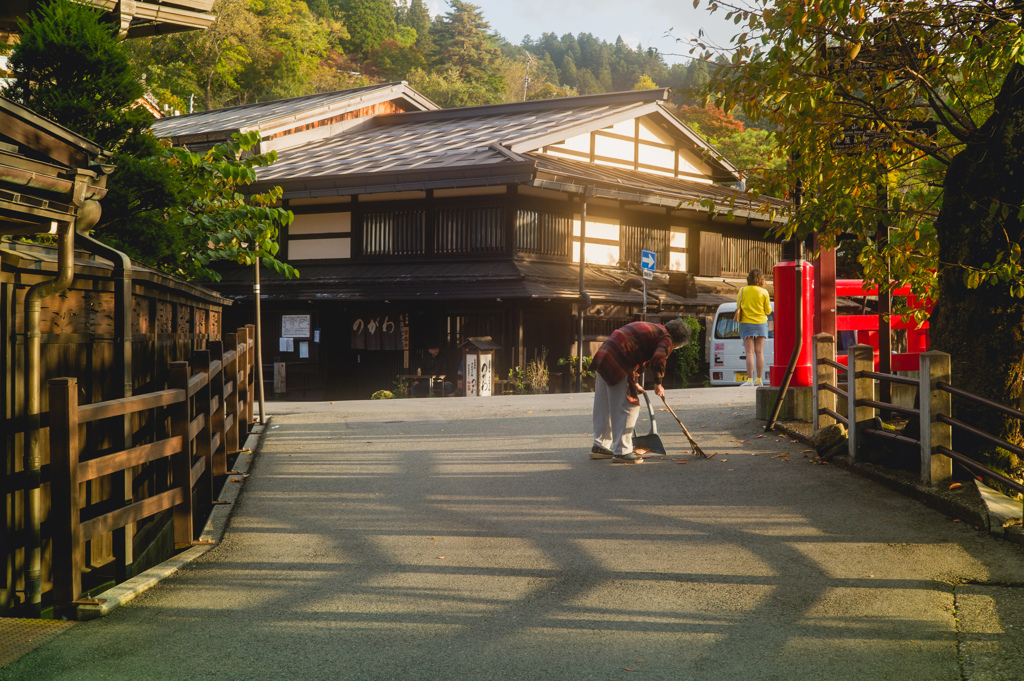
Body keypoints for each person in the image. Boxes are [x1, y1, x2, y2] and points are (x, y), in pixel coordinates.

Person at [590, 319, 692, 464]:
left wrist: (634, 383)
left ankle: (600, 446)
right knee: (628, 407)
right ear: (678, 342)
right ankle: (622, 452)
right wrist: (658, 384)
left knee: (604, 405)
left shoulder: (654, 329)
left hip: (605, 355)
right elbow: (659, 359)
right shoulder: (667, 338)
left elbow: (633, 352)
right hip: (619, 361)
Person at [736, 268, 773, 387]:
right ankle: (759, 380)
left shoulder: (742, 290)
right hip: (761, 323)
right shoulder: (764, 292)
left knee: (749, 353)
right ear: (761, 279)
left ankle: (750, 380)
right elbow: (768, 310)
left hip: (746, 323)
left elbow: (738, 305)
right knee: (759, 352)